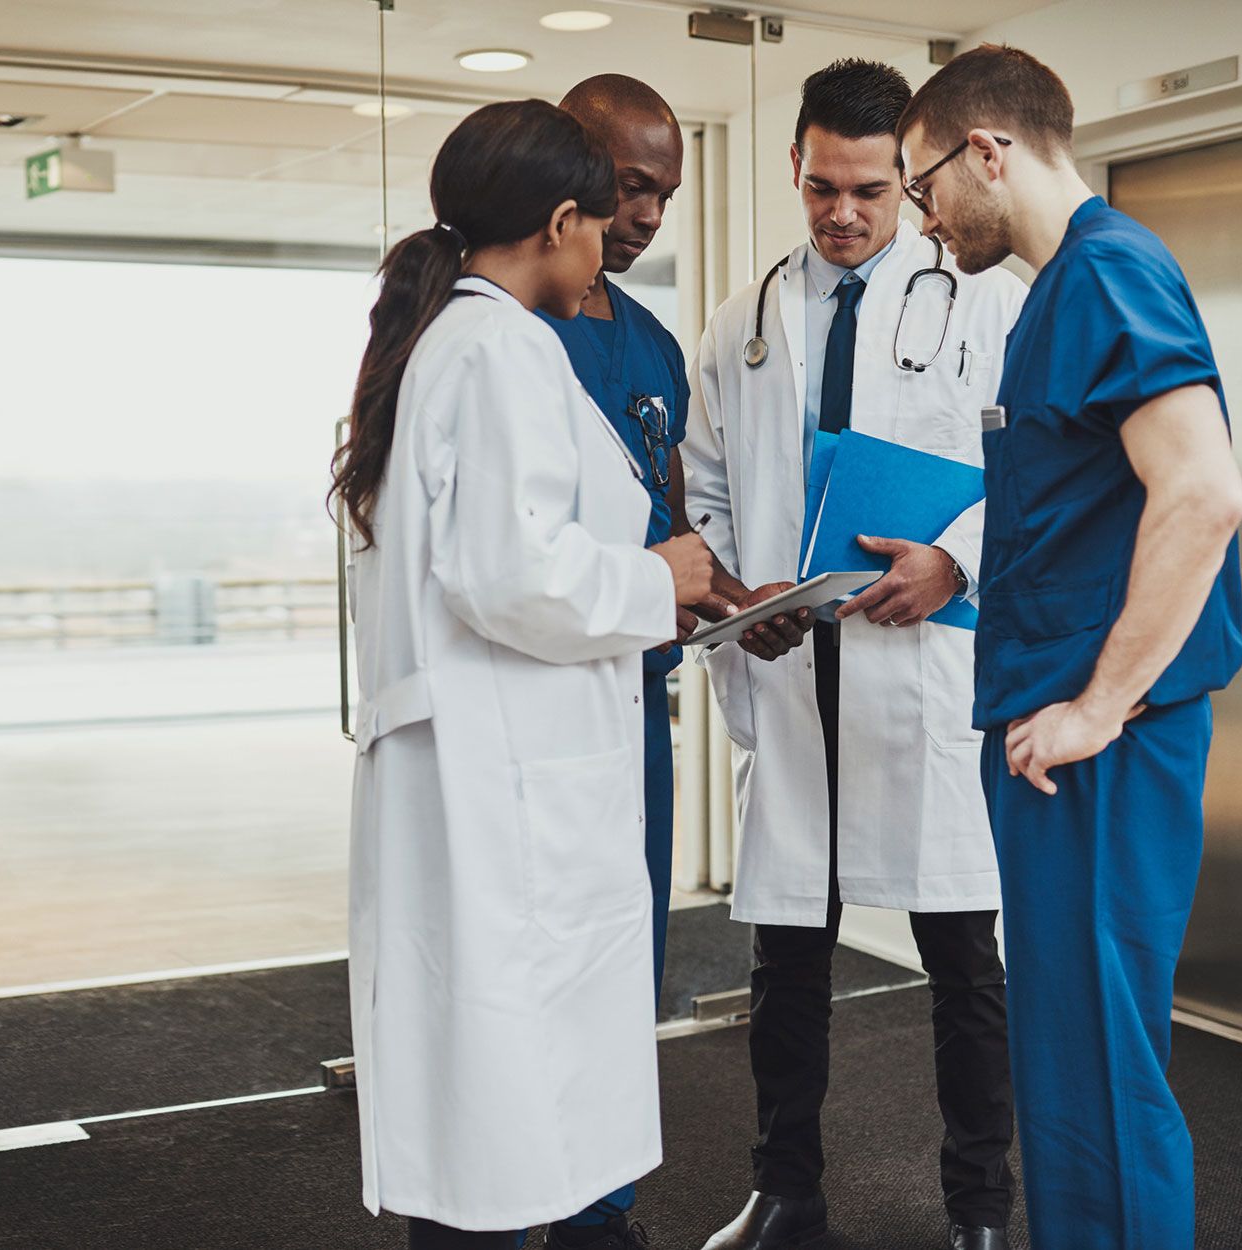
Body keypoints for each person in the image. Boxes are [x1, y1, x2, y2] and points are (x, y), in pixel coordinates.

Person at [332, 99, 715, 1249]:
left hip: (482, 761)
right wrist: (656, 576)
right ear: (559, 223)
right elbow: (511, 576)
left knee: (482, 1093)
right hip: (502, 778)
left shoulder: (446, 341)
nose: (609, 247)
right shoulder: (502, 348)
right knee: (498, 1091)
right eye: (601, 221)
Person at [896, 45, 1242, 1250]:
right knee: (1063, 1057)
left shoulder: (1106, 272)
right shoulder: (1055, 294)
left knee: (1101, 1064)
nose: (922, 216)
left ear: (984, 151)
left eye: (921, 185)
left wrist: (1098, 703)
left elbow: (1201, 492)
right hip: (1055, 742)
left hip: (1100, 744)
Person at [680, 59, 1025, 1250]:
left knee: (963, 961)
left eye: (869, 191)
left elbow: (1036, 470)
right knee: (784, 957)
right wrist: (742, 597)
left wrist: (954, 561)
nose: (841, 213)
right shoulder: (743, 319)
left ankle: (979, 1208)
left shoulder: (981, 297)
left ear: (908, 178)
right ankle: (784, 1190)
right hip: (791, 671)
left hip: (917, 668)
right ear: (793, 163)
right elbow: (705, 486)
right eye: (821, 186)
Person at [532, 72, 701, 1249]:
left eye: (663, 195)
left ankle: (598, 1212)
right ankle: (511, 1202)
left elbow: (670, 522)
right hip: (530, 703)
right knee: (529, 968)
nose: (644, 216)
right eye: (629, 186)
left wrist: (737, 599)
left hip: (631, 701)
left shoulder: (650, 343)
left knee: (619, 959)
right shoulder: (498, 329)